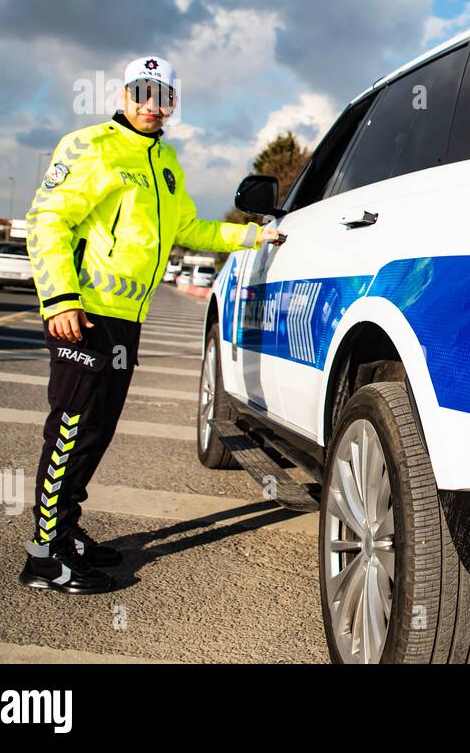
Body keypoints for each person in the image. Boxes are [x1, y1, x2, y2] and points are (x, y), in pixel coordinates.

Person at [19, 55, 284, 594]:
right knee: (71, 428)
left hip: (126, 319)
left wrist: (255, 237)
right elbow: (46, 221)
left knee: (98, 428)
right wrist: (61, 299)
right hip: (84, 313)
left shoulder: (166, 160)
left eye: (161, 94)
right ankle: (44, 556)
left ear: (173, 104)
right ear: (122, 94)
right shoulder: (89, 145)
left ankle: (65, 532)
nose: (150, 103)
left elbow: (187, 226)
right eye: (140, 91)